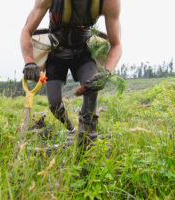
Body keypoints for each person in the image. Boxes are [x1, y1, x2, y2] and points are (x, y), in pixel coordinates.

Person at [20, 0, 122, 144]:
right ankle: (69, 126)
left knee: (91, 89)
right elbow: (26, 31)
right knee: (54, 104)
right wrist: (29, 61)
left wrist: (106, 73)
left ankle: (86, 144)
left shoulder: (109, 2)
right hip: (56, 54)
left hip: (83, 53)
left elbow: (116, 44)